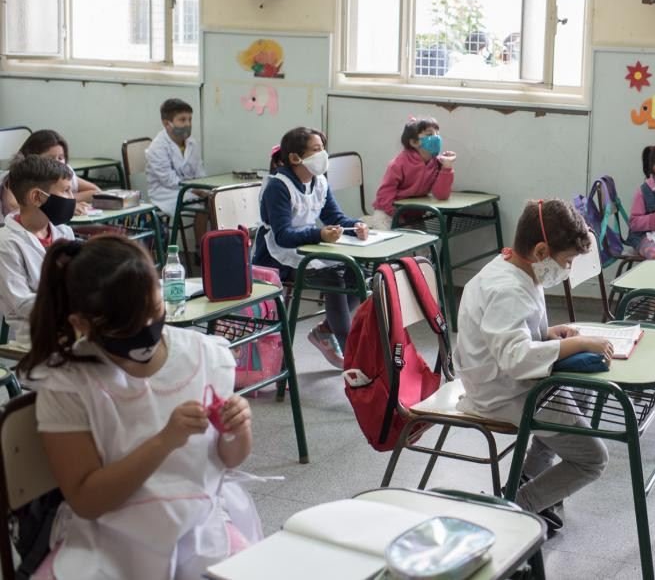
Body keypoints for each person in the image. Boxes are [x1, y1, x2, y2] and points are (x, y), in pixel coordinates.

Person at [17, 236, 260, 579]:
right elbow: (87, 500)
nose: (147, 332)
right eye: (128, 327)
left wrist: (238, 430)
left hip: (198, 528)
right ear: (82, 325)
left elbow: (229, 459)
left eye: (154, 311)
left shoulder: (204, 355)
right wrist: (163, 441)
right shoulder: (70, 383)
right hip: (108, 539)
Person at [454, 199, 611, 530]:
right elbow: (515, 358)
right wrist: (575, 343)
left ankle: (527, 479)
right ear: (542, 252)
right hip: (504, 394)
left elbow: (511, 335)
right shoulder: (509, 289)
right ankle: (517, 509)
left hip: (507, 382)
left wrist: (548, 334)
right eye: (567, 261)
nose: (567, 270)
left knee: (580, 392)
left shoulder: (513, 268)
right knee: (593, 460)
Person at [253, 127, 368, 368]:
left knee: (358, 273)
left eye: (323, 149)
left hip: (306, 248)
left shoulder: (320, 182)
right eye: (316, 150)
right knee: (333, 278)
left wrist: (355, 225)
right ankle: (352, 356)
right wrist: (319, 234)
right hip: (276, 258)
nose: (323, 154)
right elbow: (283, 235)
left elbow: (334, 216)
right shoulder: (278, 186)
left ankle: (327, 329)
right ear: (295, 158)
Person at [0, 156, 77, 345]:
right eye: (66, 191)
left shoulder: (63, 231)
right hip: (37, 334)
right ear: (37, 197)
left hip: (74, 321)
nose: (72, 199)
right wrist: (76, 302)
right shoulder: (6, 243)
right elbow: (21, 302)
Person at [369, 116, 456, 230]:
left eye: (437, 133)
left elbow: (441, 195)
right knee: (391, 245)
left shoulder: (436, 163)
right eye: (430, 134)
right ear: (414, 142)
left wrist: (447, 166)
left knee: (424, 247)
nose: (436, 137)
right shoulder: (399, 163)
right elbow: (384, 194)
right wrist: (396, 214)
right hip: (387, 215)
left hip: (414, 217)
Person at [1, 130, 99, 217]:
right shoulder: (20, 173)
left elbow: (95, 192)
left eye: (61, 157)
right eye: (50, 159)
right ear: (32, 158)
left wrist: (65, 201)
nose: (58, 163)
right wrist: (62, 205)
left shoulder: (64, 173)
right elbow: (13, 205)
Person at [145, 98, 206, 221]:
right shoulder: (157, 147)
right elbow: (168, 180)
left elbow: (199, 172)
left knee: (213, 200)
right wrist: (195, 190)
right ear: (167, 124)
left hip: (187, 189)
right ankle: (201, 241)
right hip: (165, 193)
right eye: (182, 120)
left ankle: (211, 240)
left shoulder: (191, 144)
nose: (188, 124)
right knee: (201, 207)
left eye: (190, 119)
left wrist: (204, 189)